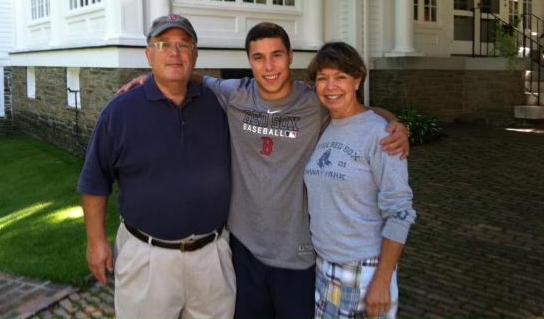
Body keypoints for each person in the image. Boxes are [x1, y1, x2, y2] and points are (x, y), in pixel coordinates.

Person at [120, 22, 409, 318]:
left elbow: (357, 112)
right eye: (258, 57)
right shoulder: (235, 94)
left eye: (277, 55)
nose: (269, 66)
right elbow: (193, 78)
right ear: (249, 61)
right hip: (244, 250)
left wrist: (395, 124)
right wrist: (152, 76)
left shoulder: (315, 100)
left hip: (298, 253)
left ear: (290, 56)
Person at [77, 14, 235, 319]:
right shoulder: (120, 111)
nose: (174, 53)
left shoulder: (218, 104)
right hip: (147, 260)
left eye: (183, 45)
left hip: (211, 258)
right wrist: (96, 242)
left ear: (195, 54)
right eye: (163, 44)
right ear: (149, 53)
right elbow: (94, 181)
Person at [305, 42, 416, 319]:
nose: (331, 86)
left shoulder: (381, 136)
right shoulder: (324, 125)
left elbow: (401, 212)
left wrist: (382, 280)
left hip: (364, 270)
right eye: (322, 78)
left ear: (357, 80)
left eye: (340, 77)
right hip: (325, 267)